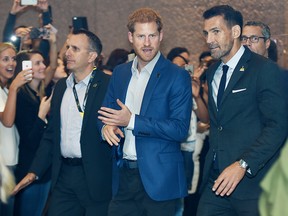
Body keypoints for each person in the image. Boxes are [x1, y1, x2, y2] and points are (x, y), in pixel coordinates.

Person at [98, 7, 192, 216]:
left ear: (161, 36)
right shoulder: (120, 73)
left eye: (152, 36)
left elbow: (179, 129)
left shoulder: (177, 76)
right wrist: (106, 127)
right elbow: (104, 114)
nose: (147, 43)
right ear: (131, 37)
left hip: (160, 181)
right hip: (123, 177)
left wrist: (131, 121)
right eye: (141, 36)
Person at [197, 5, 287, 216]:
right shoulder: (212, 72)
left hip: (253, 183)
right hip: (216, 182)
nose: (209, 39)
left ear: (235, 32)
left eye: (216, 31)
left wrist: (243, 164)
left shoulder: (264, 69)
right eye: (206, 33)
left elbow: (278, 126)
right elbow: (218, 123)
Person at [13, 29, 112, 216]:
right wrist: (34, 171)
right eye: (68, 47)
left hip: (95, 176)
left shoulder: (108, 85)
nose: (67, 52)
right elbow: (51, 135)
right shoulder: (60, 87)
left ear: (92, 56)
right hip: (63, 176)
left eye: (75, 48)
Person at [0, 42, 32, 216]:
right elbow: (7, 121)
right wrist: (14, 87)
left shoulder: (5, 89)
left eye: (13, 59)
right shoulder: (8, 89)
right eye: (5, 59)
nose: (11, 64)